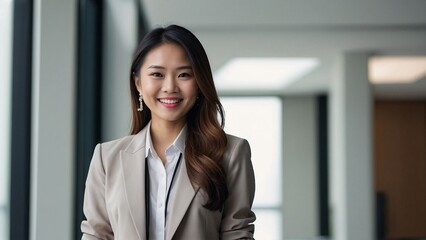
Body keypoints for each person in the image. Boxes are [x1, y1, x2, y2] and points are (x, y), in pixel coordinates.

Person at [81, 24, 256, 240]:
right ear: (138, 83)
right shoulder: (106, 159)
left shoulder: (231, 154)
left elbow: (237, 234)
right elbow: (96, 235)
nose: (170, 87)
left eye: (184, 75)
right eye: (157, 74)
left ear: (199, 83)